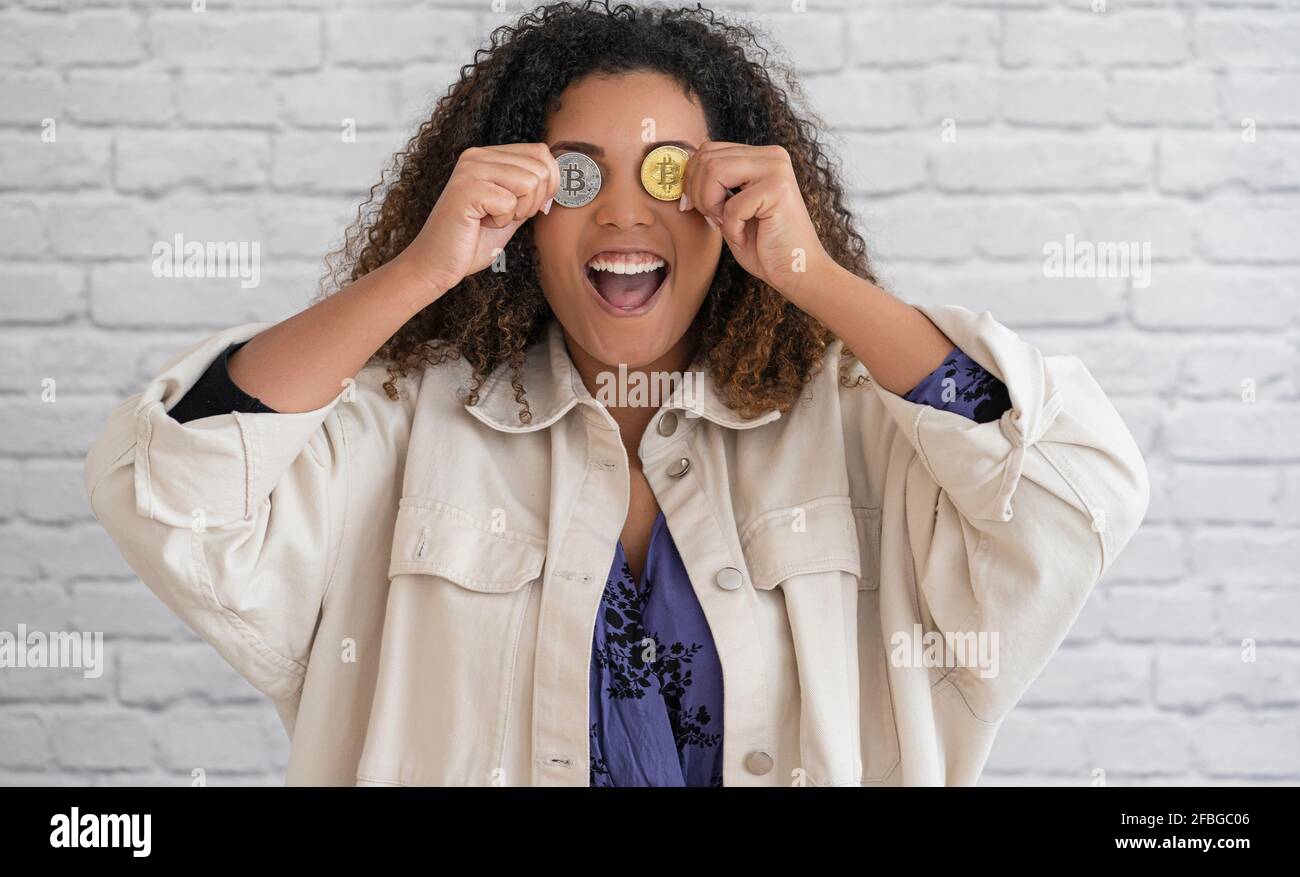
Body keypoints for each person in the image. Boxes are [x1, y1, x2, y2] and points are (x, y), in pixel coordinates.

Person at [83, 0, 1149, 787]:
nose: (625, 216)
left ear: (727, 200)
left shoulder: (862, 429)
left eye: (672, 175)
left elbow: (1065, 497)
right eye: (576, 177)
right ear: (523, 211)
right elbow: (178, 485)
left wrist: (811, 276)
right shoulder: (406, 433)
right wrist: (420, 270)